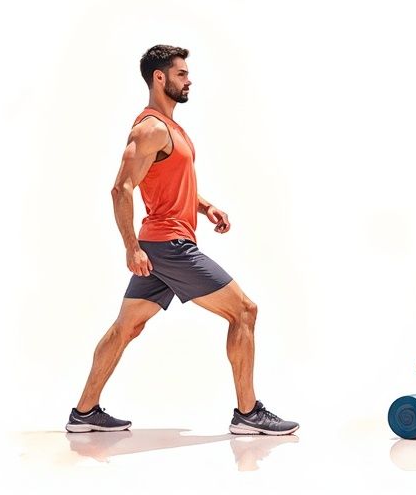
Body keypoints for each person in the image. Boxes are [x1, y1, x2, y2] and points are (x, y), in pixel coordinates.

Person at [66, 45, 298, 436]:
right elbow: (121, 189)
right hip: (168, 246)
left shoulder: (172, 128)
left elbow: (171, 183)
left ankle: (84, 413)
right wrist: (131, 248)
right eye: (181, 74)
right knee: (244, 311)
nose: (188, 80)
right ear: (160, 78)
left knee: (126, 327)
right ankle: (248, 413)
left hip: (164, 244)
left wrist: (205, 207)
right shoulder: (151, 128)